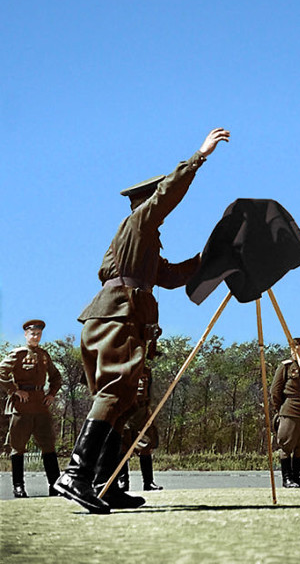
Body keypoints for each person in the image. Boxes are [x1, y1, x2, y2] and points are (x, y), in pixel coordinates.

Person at [55, 128, 229, 514]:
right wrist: (200, 156)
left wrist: (210, 258)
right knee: (117, 394)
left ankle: (104, 483)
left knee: (123, 401)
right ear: (146, 202)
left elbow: (169, 277)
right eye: (155, 201)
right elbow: (168, 194)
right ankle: (76, 475)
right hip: (117, 317)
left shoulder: (140, 246)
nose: (159, 208)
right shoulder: (137, 224)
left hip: (117, 319)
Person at [0, 320, 62, 497]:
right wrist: (14, 390)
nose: (36, 337)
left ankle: (55, 485)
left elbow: (56, 377)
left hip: (41, 405)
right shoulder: (18, 354)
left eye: (39, 334)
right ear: (26, 335)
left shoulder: (44, 355)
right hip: (22, 406)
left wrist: (52, 394)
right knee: (18, 447)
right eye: (33, 334)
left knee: (48, 445)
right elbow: (1, 372)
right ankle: (18, 486)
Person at [270, 337, 300, 488]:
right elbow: (275, 390)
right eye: (293, 350)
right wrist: (281, 408)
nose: (296, 353)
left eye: (299, 350)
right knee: (286, 445)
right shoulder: (286, 367)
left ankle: (298, 478)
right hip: (290, 410)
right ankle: (287, 479)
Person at [119, 363, 162, 492]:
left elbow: (150, 391)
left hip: (142, 411)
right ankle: (122, 481)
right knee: (122, 447)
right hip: (125, 410)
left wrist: (150, 409)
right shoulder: (121, 369)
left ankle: (148, 482)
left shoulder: (146, 371)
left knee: (146, 444)